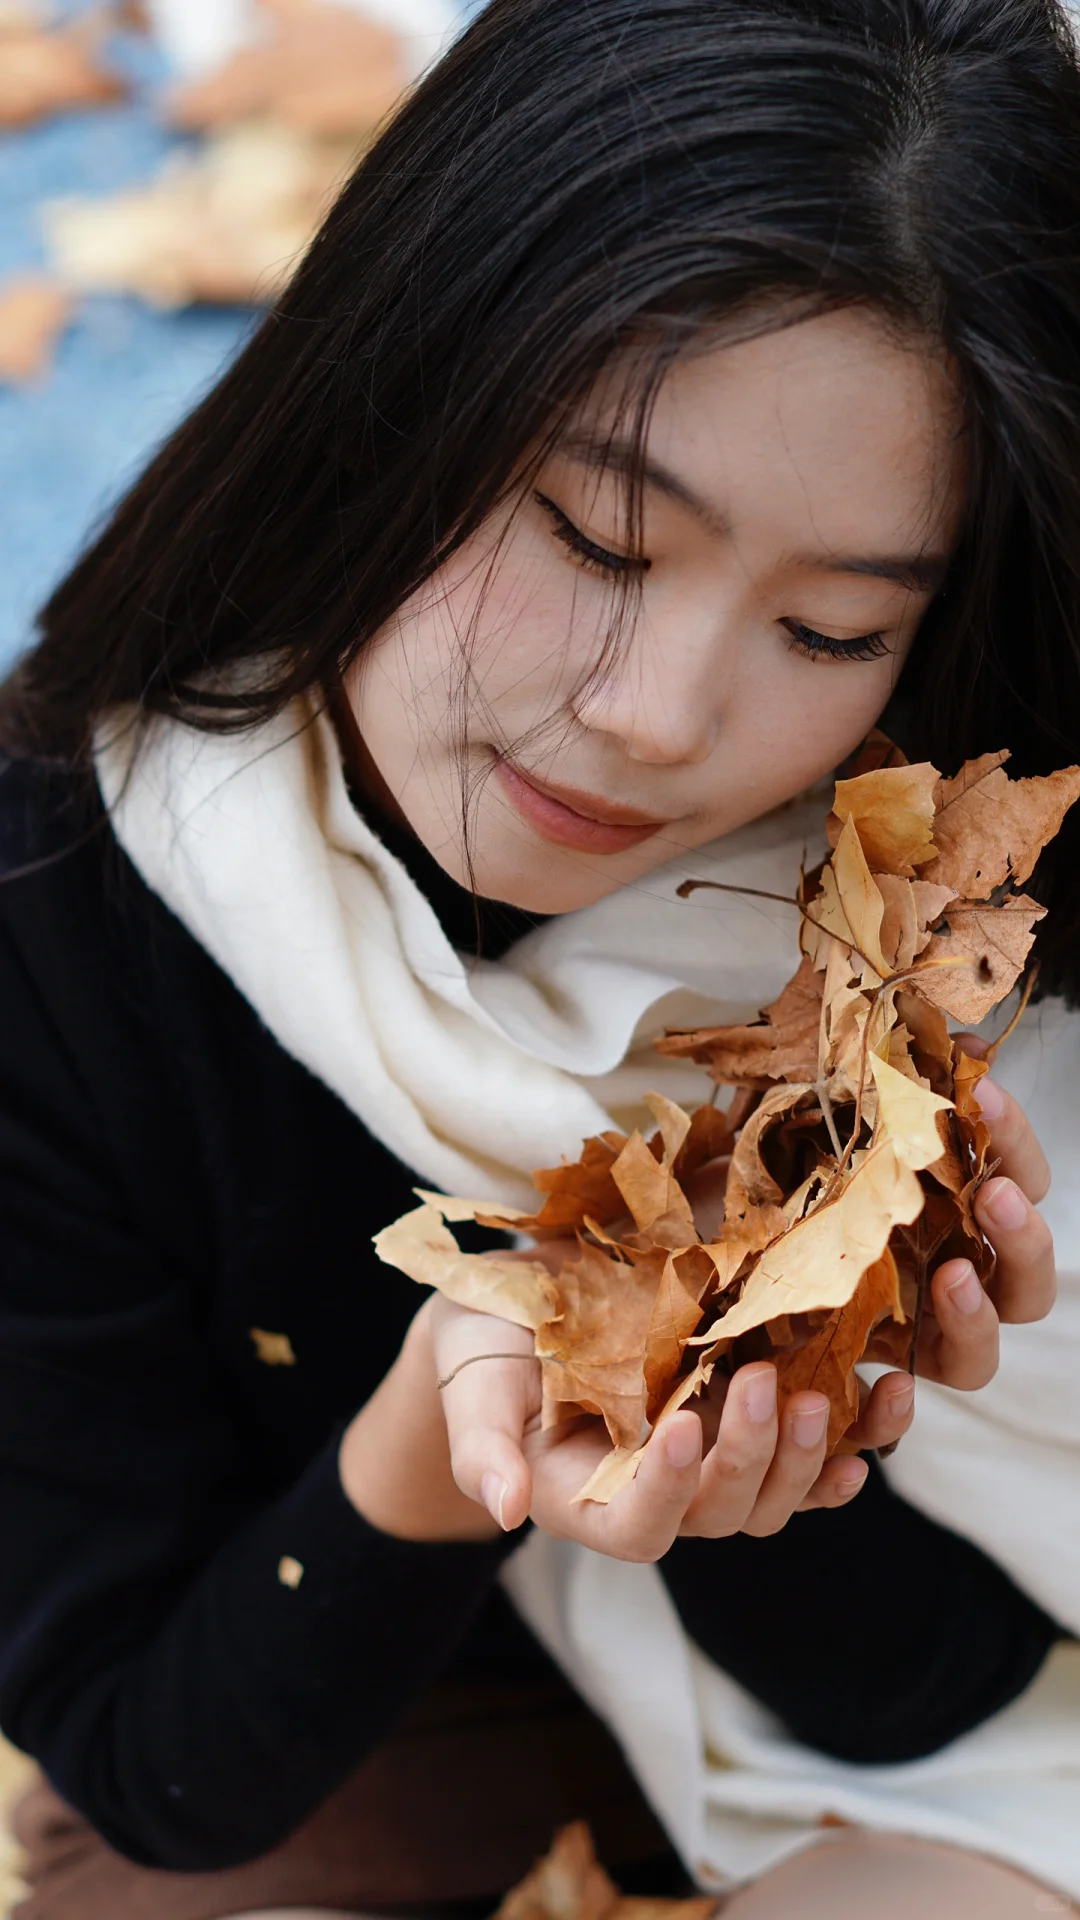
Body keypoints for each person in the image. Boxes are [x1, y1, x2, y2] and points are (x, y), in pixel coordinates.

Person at [0, 0, 1076, 1912]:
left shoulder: (940, 900)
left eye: (831, 632)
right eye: (596, 534)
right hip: (350, 1688)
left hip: (934, 1737)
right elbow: (157, 1753)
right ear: (384, 387)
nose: (661, 718)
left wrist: (781, 1394)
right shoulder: (65, 914)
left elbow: (932, 1694)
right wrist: (449, 1424)